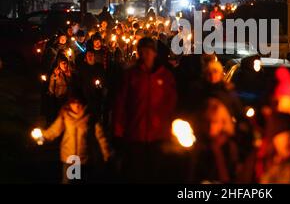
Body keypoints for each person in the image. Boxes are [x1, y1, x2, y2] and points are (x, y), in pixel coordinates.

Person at [113, 37, 177, 183]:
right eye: (141, 52)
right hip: (135, 136)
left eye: (148, 51)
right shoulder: (131, 75)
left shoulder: (165, 76)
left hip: (159, 137)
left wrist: (170, 130)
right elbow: (120, 105)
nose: (144, 55)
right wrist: (118, 133)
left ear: (154, 53)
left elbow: (172, 105)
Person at [40, 93, 112, 184]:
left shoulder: (90, 116)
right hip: (69, 157)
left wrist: (107, 153)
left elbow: (101, 136)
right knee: (68, 182)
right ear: (69, 104)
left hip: (84, 158)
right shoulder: (65, 115)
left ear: (84, 103)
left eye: (79, 103)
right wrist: (43, 136)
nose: (77, 105)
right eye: (73, 103)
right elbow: (54, 130)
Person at [190, 98, 240, 183]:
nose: (210, 126)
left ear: (223, 122)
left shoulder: (229, 146)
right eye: (207, 121)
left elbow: (229, 176)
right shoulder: (197, 141)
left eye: (215, 121)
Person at [47, 56, 72, 122]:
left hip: (70, 99)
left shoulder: (71, 73)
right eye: (62, 63)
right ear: (59, 64)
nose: (64, 65)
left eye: (65, 63)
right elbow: (51, 88)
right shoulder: (55, 75)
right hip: (59, 100)